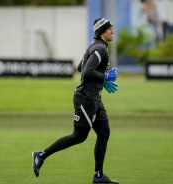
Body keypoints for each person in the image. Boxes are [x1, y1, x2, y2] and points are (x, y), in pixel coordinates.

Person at [32, 18, 120, 184]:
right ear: (102, 31)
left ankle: (98, 176)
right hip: (86, 99)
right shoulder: (99, 48)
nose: (112, 31)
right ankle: (40, 155)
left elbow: (81, 66)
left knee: (104, 133)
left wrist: (101, 80)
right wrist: (105, 76)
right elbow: (86, 71)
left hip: (94, 98)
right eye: (110, 29)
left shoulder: (95, 46)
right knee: (78, 136)